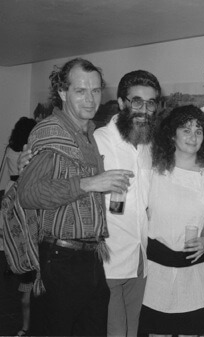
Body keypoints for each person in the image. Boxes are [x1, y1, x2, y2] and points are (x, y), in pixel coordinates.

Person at [17, 58, 133, 336]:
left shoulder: (87, 132)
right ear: (63, 93)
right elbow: (28, 194)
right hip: (60, 259)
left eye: (95, 91)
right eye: (81, 91)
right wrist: (89, 183)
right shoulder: (50, 132)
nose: (90, 98)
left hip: (90, 257)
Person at [138, 105, 204, 336]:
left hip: (195, 271)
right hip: (156, 271)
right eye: (186, 130)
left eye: (198, 131)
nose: (193, 136)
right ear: (171, 134)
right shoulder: (153, 169)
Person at [93, 70, 161, 337]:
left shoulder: (149, 144)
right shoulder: (99, 140)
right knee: (114, 331)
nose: (144, 110)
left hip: (140, 258)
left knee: (134, 330)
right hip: (108, 258)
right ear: (121, 103)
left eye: (151, 103)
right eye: (137, 102)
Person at [0, 117, 37, 337]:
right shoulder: (31, 150)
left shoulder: (10, 149)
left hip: (12, 186)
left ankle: (14, 259)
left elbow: (4, 169)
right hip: (23, 187)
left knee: (13, 229)